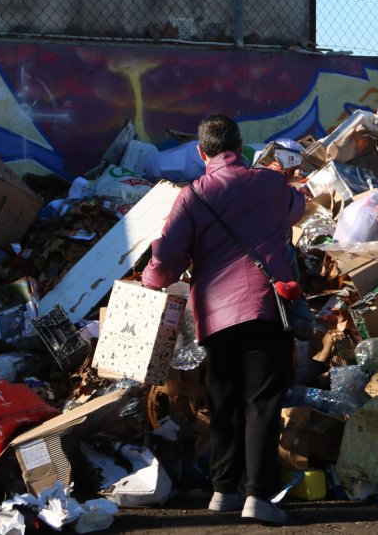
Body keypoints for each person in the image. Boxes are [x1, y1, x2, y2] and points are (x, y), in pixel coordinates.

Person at [141, 114, 305, 525]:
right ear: (241, 144)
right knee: (261, 403)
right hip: (266, 308)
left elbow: (166, 260)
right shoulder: (270, 183)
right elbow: (297, 207)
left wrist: (148, 281)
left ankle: (223, 491)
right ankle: (259, 497)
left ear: (201, 152)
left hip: (215, 316)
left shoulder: (192, 196)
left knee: (224, 402)